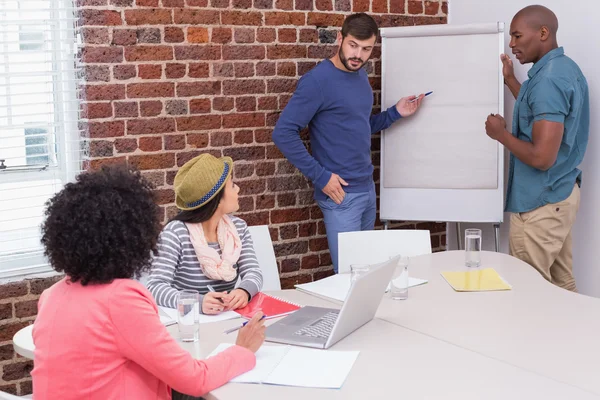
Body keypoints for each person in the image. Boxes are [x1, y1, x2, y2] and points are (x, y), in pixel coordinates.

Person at [31, 164, 266, 399]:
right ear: (135, 236)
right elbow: (195, 379)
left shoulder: (51, 296)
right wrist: (242, 351)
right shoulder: (122, 300)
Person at [272, 13, 425, 273]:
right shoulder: (317, 81)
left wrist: (395, 113)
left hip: (366, 191)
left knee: (369, 281)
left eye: (366, 49)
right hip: (341, 195)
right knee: (349, 281)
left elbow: (359, 126)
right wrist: (321, 177)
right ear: (340, 38)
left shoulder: (360, 76)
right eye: (353, 45)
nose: (358, 55)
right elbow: (283, 133)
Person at [485, 5, 589, 291]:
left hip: (540, 203)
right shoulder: (563, 69)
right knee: (560, 284)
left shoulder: (549, 81)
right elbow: (539, 111)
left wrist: (501, 135)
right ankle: (575, 337)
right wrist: (510, 80)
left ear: (543, 33)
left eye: (517, 36)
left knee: (528, 292)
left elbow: (542, 157)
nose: (511, 44)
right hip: (560, 194)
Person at [147, 153, 263, 314]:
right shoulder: (176, 233)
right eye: (232, 185)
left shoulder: (238, 228)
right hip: (189, 325)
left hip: (227, 319)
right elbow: (154, 287)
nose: (238, 188)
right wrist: (197, 302)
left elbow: (253, 272)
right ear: (217, 198)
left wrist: (244, 291)